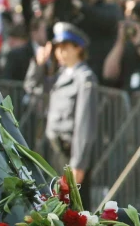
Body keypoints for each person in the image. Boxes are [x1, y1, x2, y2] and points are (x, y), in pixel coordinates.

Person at [25, 23, 98, 184]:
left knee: (73, 200)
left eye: (65, 47)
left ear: (78, 48)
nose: (59, 52)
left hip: (70, 153)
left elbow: (84, 124)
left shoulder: (85, 77)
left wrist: (79, 163)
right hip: (54, 150)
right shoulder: (60, 76)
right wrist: (38, 64)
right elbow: (32, 87)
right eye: (57, 47)